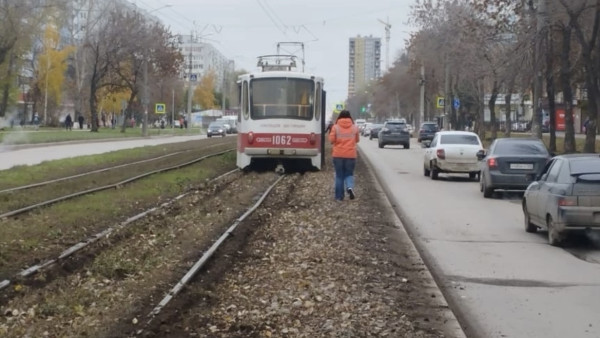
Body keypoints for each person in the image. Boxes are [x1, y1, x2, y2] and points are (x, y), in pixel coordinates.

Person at [329, 110, 360, 201]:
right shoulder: (354, 128)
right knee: (349, 173)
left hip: (338, 155)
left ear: (340, 117)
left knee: (339, 176)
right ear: (350, 117)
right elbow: (357, 140)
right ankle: (349, 187)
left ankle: (339, 197)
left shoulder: (335, 127)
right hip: (351, 155)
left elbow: (331, 140)